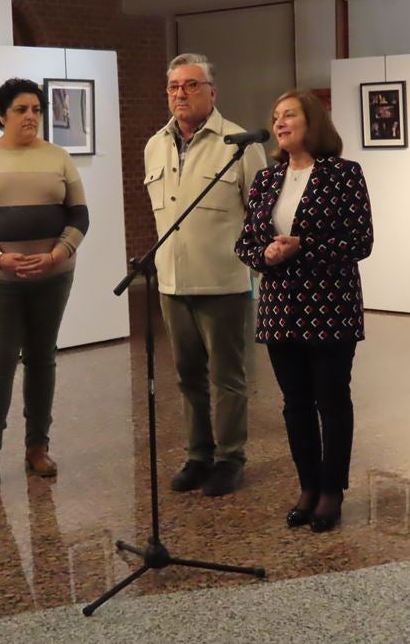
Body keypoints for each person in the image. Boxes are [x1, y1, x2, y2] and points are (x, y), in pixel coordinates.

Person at [235, 90, 373, 532]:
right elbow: (244, 243)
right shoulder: (266, 179)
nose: (279, 123)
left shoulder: (343, 174)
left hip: (330, 305)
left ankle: (332, 491)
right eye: (275, 117)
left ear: (312, 122)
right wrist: (266, 254)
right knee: (295, 404)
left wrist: (303, 247)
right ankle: (308, 486)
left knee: (331, 400)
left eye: (289, 115)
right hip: (279, 308)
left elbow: (360, 241)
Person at [0, 77, 89, 493]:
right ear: (0, 115)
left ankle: (37, 448)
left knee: (41, 358)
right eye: (21, 110)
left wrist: (55, 255)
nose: (31, 116)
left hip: (52, 277)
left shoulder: (59, 157)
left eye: (36, 109)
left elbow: (79, 217)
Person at [143, 53, 266, 497]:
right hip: (172, 283)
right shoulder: (155, 144)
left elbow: (260, 214)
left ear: (212, 92)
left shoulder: (240, 143)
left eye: (191, 85)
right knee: (187, 375)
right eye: (174, 86)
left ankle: (230, 457)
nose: (181, 94)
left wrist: (260, 275)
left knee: (227, 377)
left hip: (224, 282)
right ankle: (198, 454)